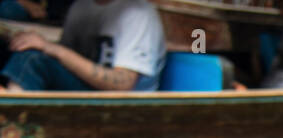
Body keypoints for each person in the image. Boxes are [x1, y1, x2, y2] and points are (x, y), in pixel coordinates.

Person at [2, 0, 164, 91]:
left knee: (32, 60)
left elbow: (123, 85)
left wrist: (52, 48)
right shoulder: (81, 7)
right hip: (85, 90)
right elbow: (62, 66)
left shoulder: (138, 13)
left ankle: (12, 123)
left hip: (119, 107)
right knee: (20, 51)